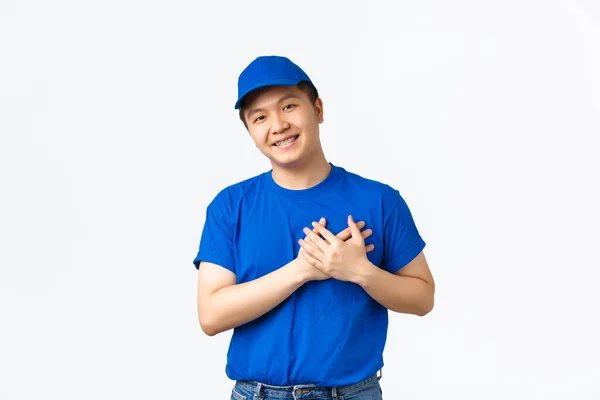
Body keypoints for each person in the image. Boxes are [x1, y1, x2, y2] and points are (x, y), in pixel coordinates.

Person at [193, 55, 435, 400]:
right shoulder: (231, 206)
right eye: (259, 117)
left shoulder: (379, 200)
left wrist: (360, 271)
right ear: (251, 132)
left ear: (318, 109)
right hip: (257, 394)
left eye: (289, 106)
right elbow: (212, 316)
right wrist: (302, 270)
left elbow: (423, 297)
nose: (277, 125)